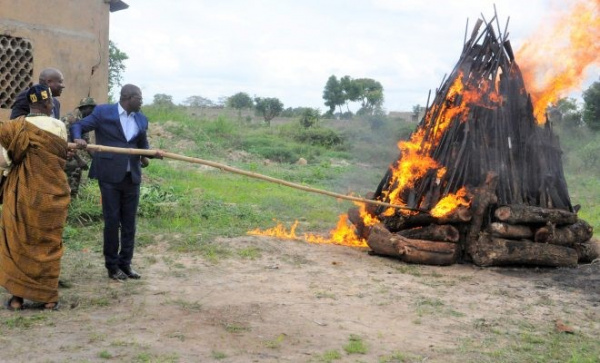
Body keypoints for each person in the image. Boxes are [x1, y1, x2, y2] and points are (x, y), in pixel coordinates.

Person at [71, 84, 162, 281]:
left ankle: (125, 263)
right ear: (128, 97)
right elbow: (78, 125)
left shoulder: (141, 118)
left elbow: (142, 147)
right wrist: (78, 139)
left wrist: (151, 155)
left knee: (129, 223)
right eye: (139, 97)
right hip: (109, 176)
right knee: (112, 222)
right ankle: (112, 266)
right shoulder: (104, 112)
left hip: (132, 177)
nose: (142, 101)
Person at [0, 84, 70, 311]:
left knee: (19, 240)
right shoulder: (58, 126)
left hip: (21, 194)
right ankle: (49, 298)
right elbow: (61, 157)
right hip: (51, 195)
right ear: (48, 103)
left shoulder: (14, 127)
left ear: (30, 104)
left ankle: (17, 299)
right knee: (47, 243)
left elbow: (4, 161)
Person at [62, 97, 97, 198]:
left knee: (77, 166)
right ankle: (69, 197)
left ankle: (71, 196)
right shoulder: (70, 119)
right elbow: (65, 143)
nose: (94, 112)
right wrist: (79, 160)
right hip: (61, 152)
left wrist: (98, 159)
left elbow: (87, 144)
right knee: (74, 166)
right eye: (92, 109)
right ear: (85, 108)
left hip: (70, 152)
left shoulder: (85, 121)